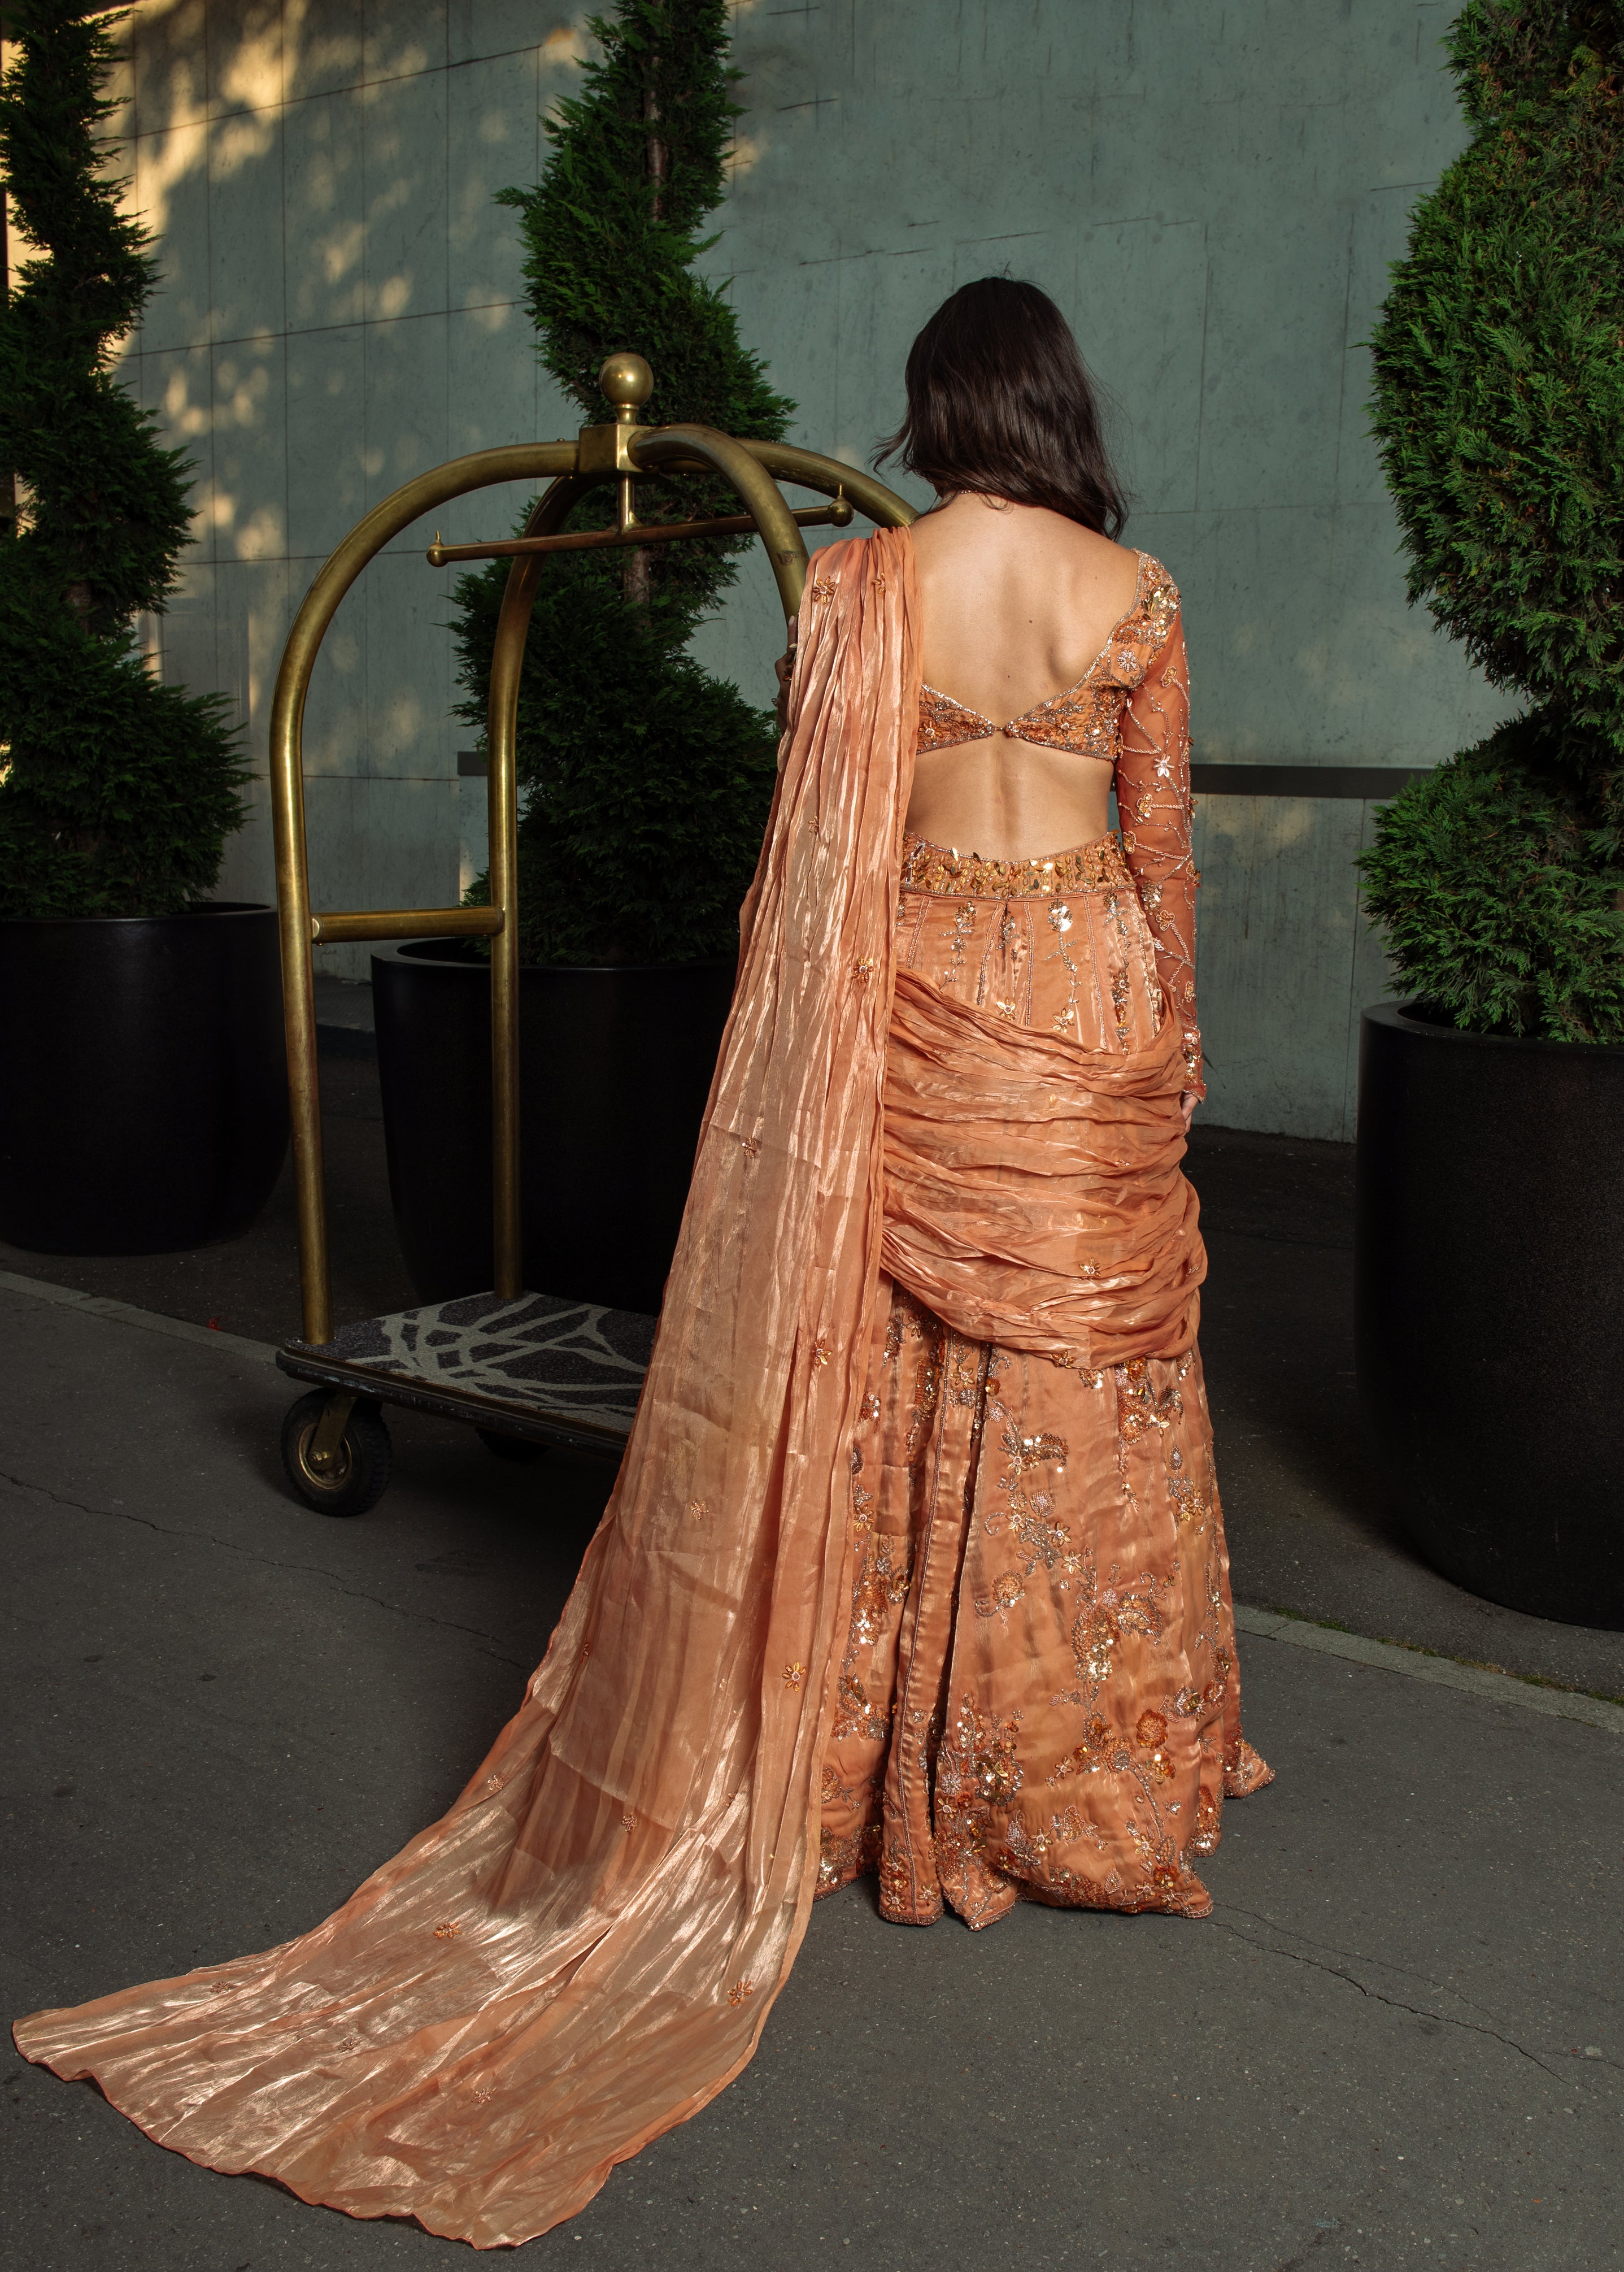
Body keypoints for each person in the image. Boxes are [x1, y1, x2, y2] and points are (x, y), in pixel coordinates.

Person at [14, 278, 1268, 2248]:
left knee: (885, 1363)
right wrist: (1166, 1040)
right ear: (1057, 401)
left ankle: (870, 1765)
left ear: (938, 406)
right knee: (1069, 1383)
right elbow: (1161, 841)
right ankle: (1061, 1771)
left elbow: (812, 832)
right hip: (1084, 1008)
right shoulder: (1138, 594)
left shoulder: (860, 594)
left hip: (914, 997)